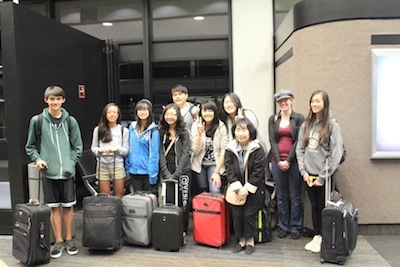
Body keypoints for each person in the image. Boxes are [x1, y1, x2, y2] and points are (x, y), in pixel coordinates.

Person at [25, 85, 83, 259]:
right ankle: (58, 241)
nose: (55, 102)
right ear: (46, 100)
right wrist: (38, 159)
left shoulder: (70, 121)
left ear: (63, 100)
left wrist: (70, 163)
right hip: (48, 172)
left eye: (58, 99)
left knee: (68, 208)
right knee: (54, 209)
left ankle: (69, 239)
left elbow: (78, 147)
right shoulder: (38, 120)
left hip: (66, 173)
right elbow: (30, 146)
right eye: (52, 99)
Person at [296, 90, 344, 253]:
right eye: (312, 101)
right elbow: (300, 149)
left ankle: (326, 237)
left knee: (325, 207)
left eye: (318, 101)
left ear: (325, 103)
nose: (314, 104)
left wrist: (323, 177)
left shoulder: (332, 125)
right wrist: (304, 172)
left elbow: (335, 154)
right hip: (309, 175)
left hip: (325, 176)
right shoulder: (306, 124)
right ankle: (317, 235)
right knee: (314, 206)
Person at [224, 117, 266, 255]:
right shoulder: (230, 149)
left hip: (253, 188)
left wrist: (246, 189)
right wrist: (238, 188)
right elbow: (229, 170)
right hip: (236, 188)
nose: (240, 133)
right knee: (237, 215)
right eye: (237, 130)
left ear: (250, 132)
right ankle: (241, 239)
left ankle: (250, 240)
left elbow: (259, 171)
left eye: (244, 130)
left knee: (249, 214)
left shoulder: (257, 148)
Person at [268, 89, 305, 240]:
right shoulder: (273, 119)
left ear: (292, 100)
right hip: (277, 162)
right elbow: (272, 140)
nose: (283, 103)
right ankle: (283, 226)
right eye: (280, 101)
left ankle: (295, 226)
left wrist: (288, 160)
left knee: (295, 196)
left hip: (294, 162)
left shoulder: (299, 118)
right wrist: (279, 160)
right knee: (281, 195)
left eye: (286, 100)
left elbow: (299, 141)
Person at [158, 103, 192, 236]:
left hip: (183, 170)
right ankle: (171, 226)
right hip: (167, 168)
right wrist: (166, 172)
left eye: (173, 114)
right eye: (167, 114)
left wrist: (177, 174)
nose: (170, 117)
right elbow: (160, 152)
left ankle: (182, 229)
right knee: (170, 199)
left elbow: (186, 153)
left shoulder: (184, 132)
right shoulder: (161, 132)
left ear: (178, 115)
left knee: (183, 200)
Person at [90, 103, 129, 198]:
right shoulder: (98, 129)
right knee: (105, 196)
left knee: (119, 195)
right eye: (109, 112)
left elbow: (126, 150)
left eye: (114, 112)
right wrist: (100, 150)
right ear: (105, 114)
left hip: (118, 166)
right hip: (102, 166)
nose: (112, 114)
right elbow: (93, 148)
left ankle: (118, 213)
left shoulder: (123, 130)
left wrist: (117, 149)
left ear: (118, 114)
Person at [191, 100, 229, 194]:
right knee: (202, 191)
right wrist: (199, 134)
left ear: (215, 112)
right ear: (201, 112)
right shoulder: (196, 125)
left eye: (210, 111)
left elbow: (223, 151)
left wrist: (216, 172)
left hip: (215, 164)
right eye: (205, 111)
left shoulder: (221, 127)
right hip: (199, 165)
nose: (207, 113)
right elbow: (195, 150)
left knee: (215, 190)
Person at [125, 99, 160, 195]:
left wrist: (153, 174)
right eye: (140, 110)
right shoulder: (132, 128)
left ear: (150, 112)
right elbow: (129, 148)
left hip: (148, 172)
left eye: (145, 110)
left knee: (149, 201)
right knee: (137, 202)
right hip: (134, 171)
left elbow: (154, 154)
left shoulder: (154, 131)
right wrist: (128, 167)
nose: (142, 112)